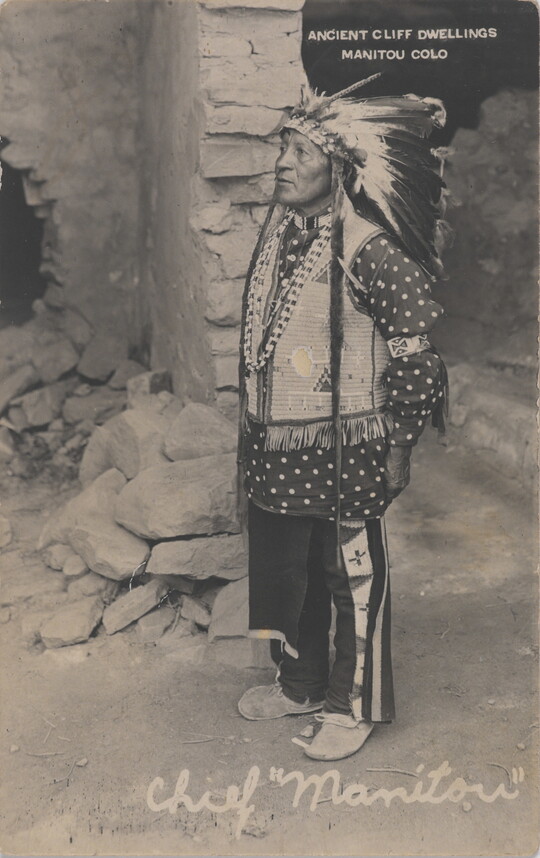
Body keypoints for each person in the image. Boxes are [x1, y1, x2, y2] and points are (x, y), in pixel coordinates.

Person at [236, 76, 449, 761]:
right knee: (288, 567)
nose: (283, 164)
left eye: (300, 153)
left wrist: (400, 443)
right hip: (278, 447)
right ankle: (299, 684)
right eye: (284, 149)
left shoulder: (371, 250)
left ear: (340, 171)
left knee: (348, 574)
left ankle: (351, 704)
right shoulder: (281, 235)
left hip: (349, 448)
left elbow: (417, 354)